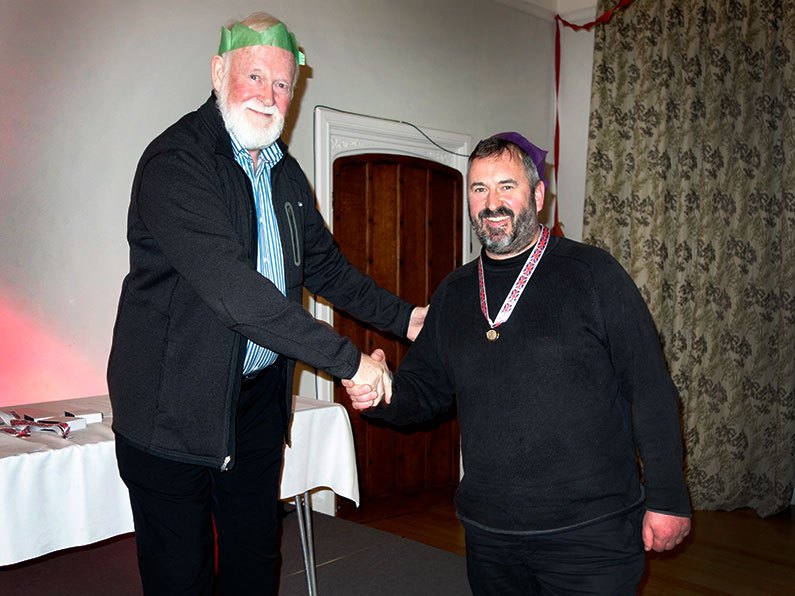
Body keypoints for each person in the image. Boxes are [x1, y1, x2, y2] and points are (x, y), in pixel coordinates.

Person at [107, 12, 422, 595]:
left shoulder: (285, 175)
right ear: (218, 71)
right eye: (254, 77)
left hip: (255, 403)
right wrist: (349, 362)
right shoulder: (176, 164)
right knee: (182, 574)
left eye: (282, 84)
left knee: (255, 558)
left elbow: (326, 267)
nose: (269, 96)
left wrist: (407, 319)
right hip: (170, 407)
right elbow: (238, 294)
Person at [344, 133, 692, 595]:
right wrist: (383, 390)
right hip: (490, 534)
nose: (492, 203)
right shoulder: (454, 292)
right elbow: (424, 390)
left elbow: (650, 388)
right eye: (479, 189)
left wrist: (668, 497)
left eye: (506, 186)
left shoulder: (593, 275)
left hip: (591, 532)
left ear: (539, 195)